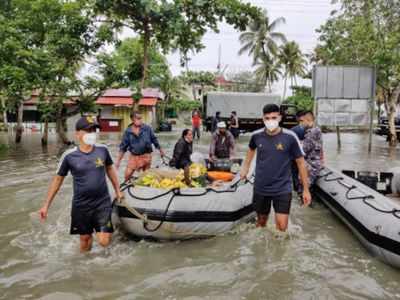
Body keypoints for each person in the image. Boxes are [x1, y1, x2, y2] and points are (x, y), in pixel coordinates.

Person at [38, 116, 123, 252]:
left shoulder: (103, 150)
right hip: (81, 205)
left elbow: (110, 169)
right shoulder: (69, 156)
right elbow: (57, 180)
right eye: (88, 130)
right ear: (77, 134)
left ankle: (106, 232)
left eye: (94, 130)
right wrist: (46, 205)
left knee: (104, 241)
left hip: (102, 202)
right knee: (85, 241)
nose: (92, 133)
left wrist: (118, 190)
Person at [240, 104, 311, 231]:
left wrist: (306, 189)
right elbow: (250, 152)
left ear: (279, 118)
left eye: (273, 117)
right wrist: (245, 168)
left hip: (282, 187)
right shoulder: (256, 136)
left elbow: (301, 163)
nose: (270, 121)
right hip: (261, 186)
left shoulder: (290, 137)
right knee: (261, 223)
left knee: (282, 227)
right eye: (267, 118)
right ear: (263, 119)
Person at [115, 112, 165, 181]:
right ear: (132, 119)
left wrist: (161, 150)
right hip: (134, 156)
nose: (140, 120)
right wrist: (118, 161)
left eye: (141, 118)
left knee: (147, 177)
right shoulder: (128, 131)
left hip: (146, 156)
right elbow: (123, 147)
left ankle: (144, 189)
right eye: (138, 118)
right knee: (127, 175)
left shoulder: (147, 128)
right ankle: (128, 186)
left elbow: (154, 140)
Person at [299, 111, 323, 190]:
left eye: (302, 121)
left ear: (308, 120)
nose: (300, 123)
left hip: (311, 166)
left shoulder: (312, 133)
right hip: (314, 163)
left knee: (303, 188)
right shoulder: (316, 130)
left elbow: (303, 150)